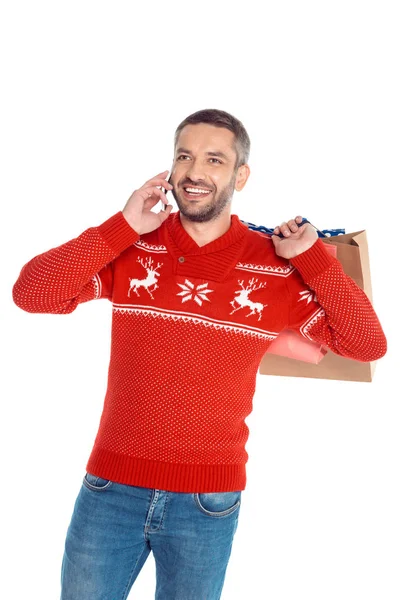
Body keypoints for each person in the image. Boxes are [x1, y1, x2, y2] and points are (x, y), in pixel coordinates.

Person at [12, 108, 387, 600]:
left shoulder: (273, 269)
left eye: (214, 159)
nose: (195, 171)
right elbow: (32, 293)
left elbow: (367, 345)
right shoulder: (134, 248)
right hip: (109, 491)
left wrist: (313, 260)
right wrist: (121, 225)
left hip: (207, 502)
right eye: (184, 156)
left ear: (240, 175)